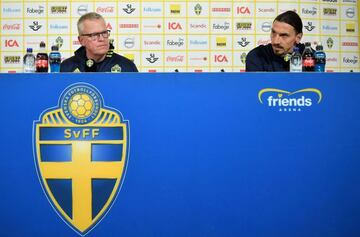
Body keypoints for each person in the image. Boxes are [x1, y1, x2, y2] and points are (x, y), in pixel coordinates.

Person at [61, 12, 138, 72]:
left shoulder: (127, 66)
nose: (101, 39)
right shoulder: (66, 68)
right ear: (81, 40)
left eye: (104, 33)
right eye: (94, 35)